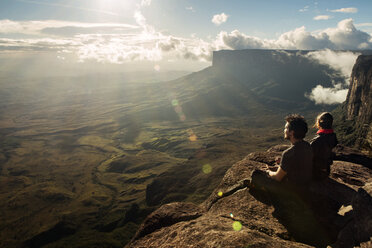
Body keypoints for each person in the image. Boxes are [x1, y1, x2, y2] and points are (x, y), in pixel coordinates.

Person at [310, 112, 338, 181]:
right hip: (326, 171)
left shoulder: (317, 140)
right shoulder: (333, 136)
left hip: (315, 172)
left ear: (319, 123)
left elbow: (307, 156)